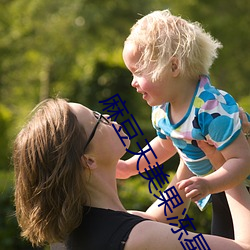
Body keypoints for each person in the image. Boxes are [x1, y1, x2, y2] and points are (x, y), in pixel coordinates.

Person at [13, 98, 250, 250]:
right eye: (98, 120)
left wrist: (190, 138)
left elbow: (156, 219)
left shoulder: (80, 231)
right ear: (88, 160)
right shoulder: (137, 238)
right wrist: (226, 165)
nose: (109, 118)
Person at [120, 9, 250, 239]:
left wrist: (209, 184)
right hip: (220, 188)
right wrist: (130, 166)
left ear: (173, 67)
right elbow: (165, 145)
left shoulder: (211, 109)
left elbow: (242, 160)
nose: (133, 82)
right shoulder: (162, 109)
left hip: (239, 186)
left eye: (138, 72)